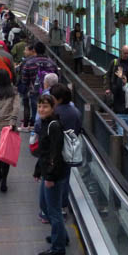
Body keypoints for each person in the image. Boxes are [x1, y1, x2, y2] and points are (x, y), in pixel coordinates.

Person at [34, 94, 68, 255]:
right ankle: (61, 235)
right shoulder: (44, 123)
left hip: (53, 174)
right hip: (47, 171)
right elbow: (44, 151)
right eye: (40, 106)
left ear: (52, 108)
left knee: (53, 210)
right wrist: (38, 170)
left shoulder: (53, 125)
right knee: (45, 206)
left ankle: (58, 247)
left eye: (45, 107)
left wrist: (50, 177)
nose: (41, 109)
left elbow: (55, 153)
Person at [51, 83, 82, 214]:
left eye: (53, 97)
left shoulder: (55, 112)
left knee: (54, 177)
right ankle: (63, 205)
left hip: (55, 150)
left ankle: (53, 205)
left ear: (60, 99)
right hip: (70, 151)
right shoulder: (75, 111)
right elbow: (79, 129)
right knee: (65, 177)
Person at [20, 42, 58, 132]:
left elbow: (24, 79)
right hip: (50, 93)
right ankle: (47, 129)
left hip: (35, 92)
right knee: (49, 111)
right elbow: (57, 77)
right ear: (45, 50)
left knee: (36, 111)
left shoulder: (29, 63)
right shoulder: (51, 62)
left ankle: (36, 131)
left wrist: (28, 86)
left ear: (34, 50)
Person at [110, 62, 128, 148]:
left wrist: (125, 83)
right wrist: (119, 79)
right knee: (120, 136)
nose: (122, 79)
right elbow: (117, 90)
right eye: (121, 77)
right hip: (120, 114)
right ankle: (120, 155)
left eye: (123, 77)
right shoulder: (115, 86)